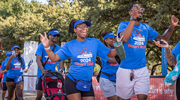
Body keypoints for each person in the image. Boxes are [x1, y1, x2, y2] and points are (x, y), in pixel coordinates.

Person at [39, 19, 121, 100]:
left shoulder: (95, 43)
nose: (84, 28)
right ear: (75, 30)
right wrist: (47, 47)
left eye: (85, 26)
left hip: (87, 83)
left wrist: (119, 45)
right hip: (72, 81)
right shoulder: (69, 45)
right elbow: (54, 58)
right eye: (80, 26)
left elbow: (110, 54)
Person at [116, 3, 179, 100]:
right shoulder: (123, 25)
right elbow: (125, 38)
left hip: (142, 69)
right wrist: (133, 18)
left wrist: (172, 26)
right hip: (125, 69)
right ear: (130, 12)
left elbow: (163, 39)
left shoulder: (145, 27)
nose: (140, 10)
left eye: (141, 9)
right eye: (136, 8)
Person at [35, 28, 64, 100]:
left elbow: (60, 60)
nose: (56, 37)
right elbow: (38, 59)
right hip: (42, 75)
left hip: (52, 76)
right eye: (54, 35)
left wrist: (60, 70)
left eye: (57, 36)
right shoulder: (41, 46)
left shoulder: (58, 48)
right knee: (39, 96)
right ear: (49, 36)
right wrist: (42, 70)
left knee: (52, 96)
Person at [99, 31, 121, 100]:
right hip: (106, 79)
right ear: (106, 40)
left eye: (114, 38)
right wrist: (120, 48)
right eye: (111, 38)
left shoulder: (117, 50)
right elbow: (114, 61)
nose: (113, 40)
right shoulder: (103, 51)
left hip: (118, 79)